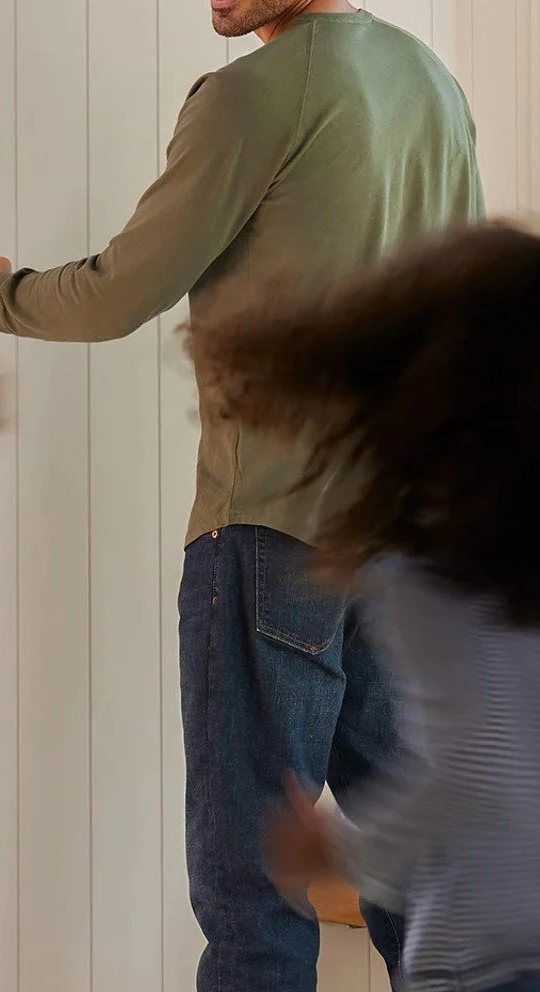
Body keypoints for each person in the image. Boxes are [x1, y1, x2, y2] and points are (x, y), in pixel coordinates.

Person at [0, 0, 484, 990]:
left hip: (272, 535)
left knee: (251, 896)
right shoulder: (431, 83)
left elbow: (121, 289)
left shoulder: (251, 95)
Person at [189, 222, 540, 992]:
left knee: (249, 903)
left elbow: (476, 778)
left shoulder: (435, 574)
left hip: (486, 956)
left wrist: (341, 850)